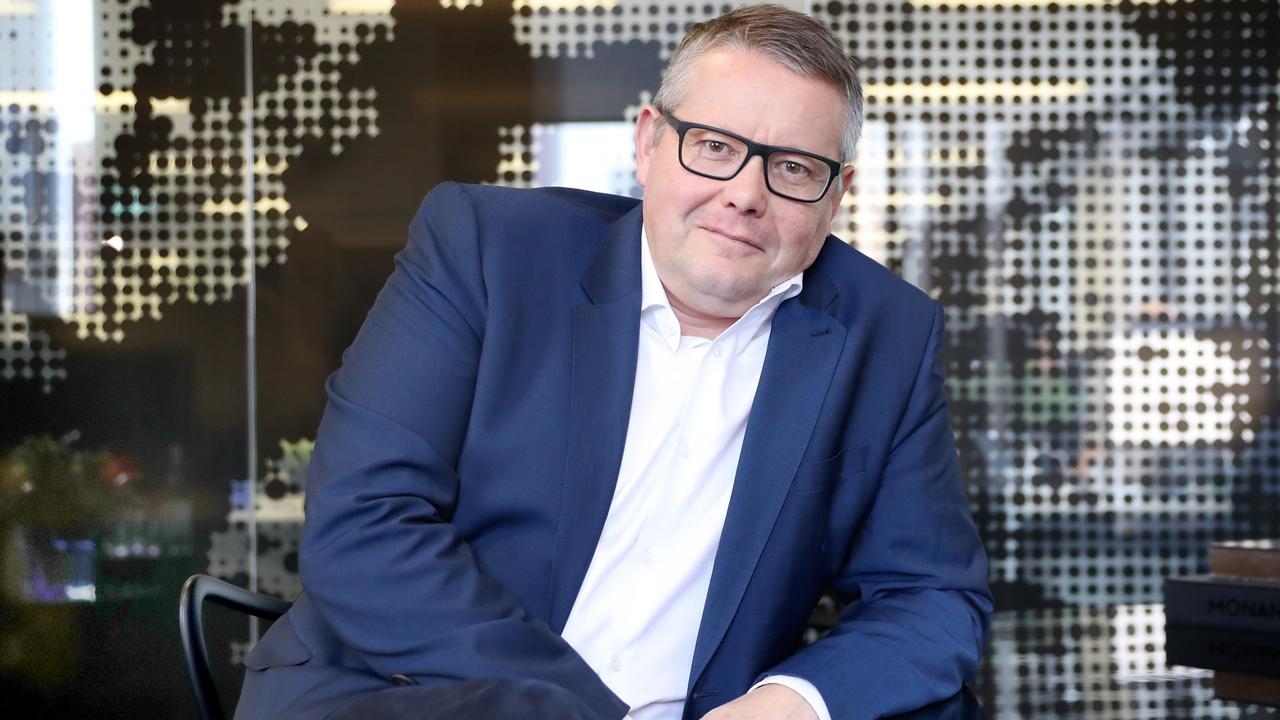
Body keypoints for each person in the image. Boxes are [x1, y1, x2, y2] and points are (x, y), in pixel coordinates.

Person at [235, 5, 992, 719]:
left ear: (836, 198)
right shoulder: (487, 251)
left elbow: (932, 595)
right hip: (412, 694)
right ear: (648, 143)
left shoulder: (884, 332)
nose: (744, 195)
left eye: (792, 169)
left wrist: (791, 700)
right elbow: (366, 525)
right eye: (716, 147)